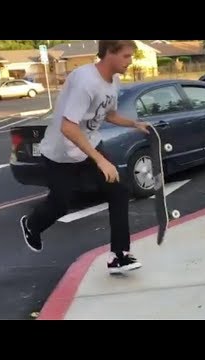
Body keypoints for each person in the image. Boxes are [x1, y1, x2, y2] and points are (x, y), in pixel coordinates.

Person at [19, 40, 150, 274]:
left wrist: (134, 123)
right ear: (110, 53)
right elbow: (68, 128)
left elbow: (108, 115)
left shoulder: (113, 82)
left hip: (88, 144)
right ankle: (32, 224)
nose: (131, 62)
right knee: (61, 204)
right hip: (61, 153)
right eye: (127, 56)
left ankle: (119, 256)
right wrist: (100, 160)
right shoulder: (85, 81)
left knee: (119, 190)